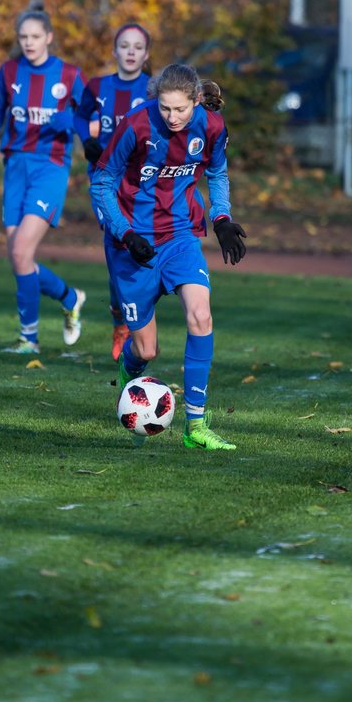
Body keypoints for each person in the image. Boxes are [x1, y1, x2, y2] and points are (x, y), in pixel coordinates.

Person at [89, 63, 249, 450]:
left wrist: (222, 216)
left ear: (196, 100)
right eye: (165, 109)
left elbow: (218, 174)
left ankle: (196, 424)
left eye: (180, 109)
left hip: (181, 236)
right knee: (147, 349)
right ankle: (130, 368)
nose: (173, 117)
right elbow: (102, 182)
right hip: (133, 243)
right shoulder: (136, 125)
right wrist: (125, 234)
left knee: (201, 314)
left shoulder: (211, 127)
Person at [0, 6, 88, 355]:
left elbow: (92, 119)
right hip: (15, 166)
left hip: (50, 168)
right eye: (23, 37)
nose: (29, 43)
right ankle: (70, 298)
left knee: (23, 250)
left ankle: (29, 338)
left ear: (49, 37)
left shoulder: (69, 74)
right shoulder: (9, 70)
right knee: (18, 258)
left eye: (35, 37)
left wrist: (70, 121)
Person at [73, 23, 152, 361]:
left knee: (136, 247)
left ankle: (131, 314)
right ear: (114, 51)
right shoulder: (98, 85)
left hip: (140, 183)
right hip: (104, 182)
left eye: (137, 47)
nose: (131, 51)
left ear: (146, 54)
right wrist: (87, 140)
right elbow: (78, 117)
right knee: (117, 239)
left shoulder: (153, 88)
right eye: (125, 45)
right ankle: (121, 318)